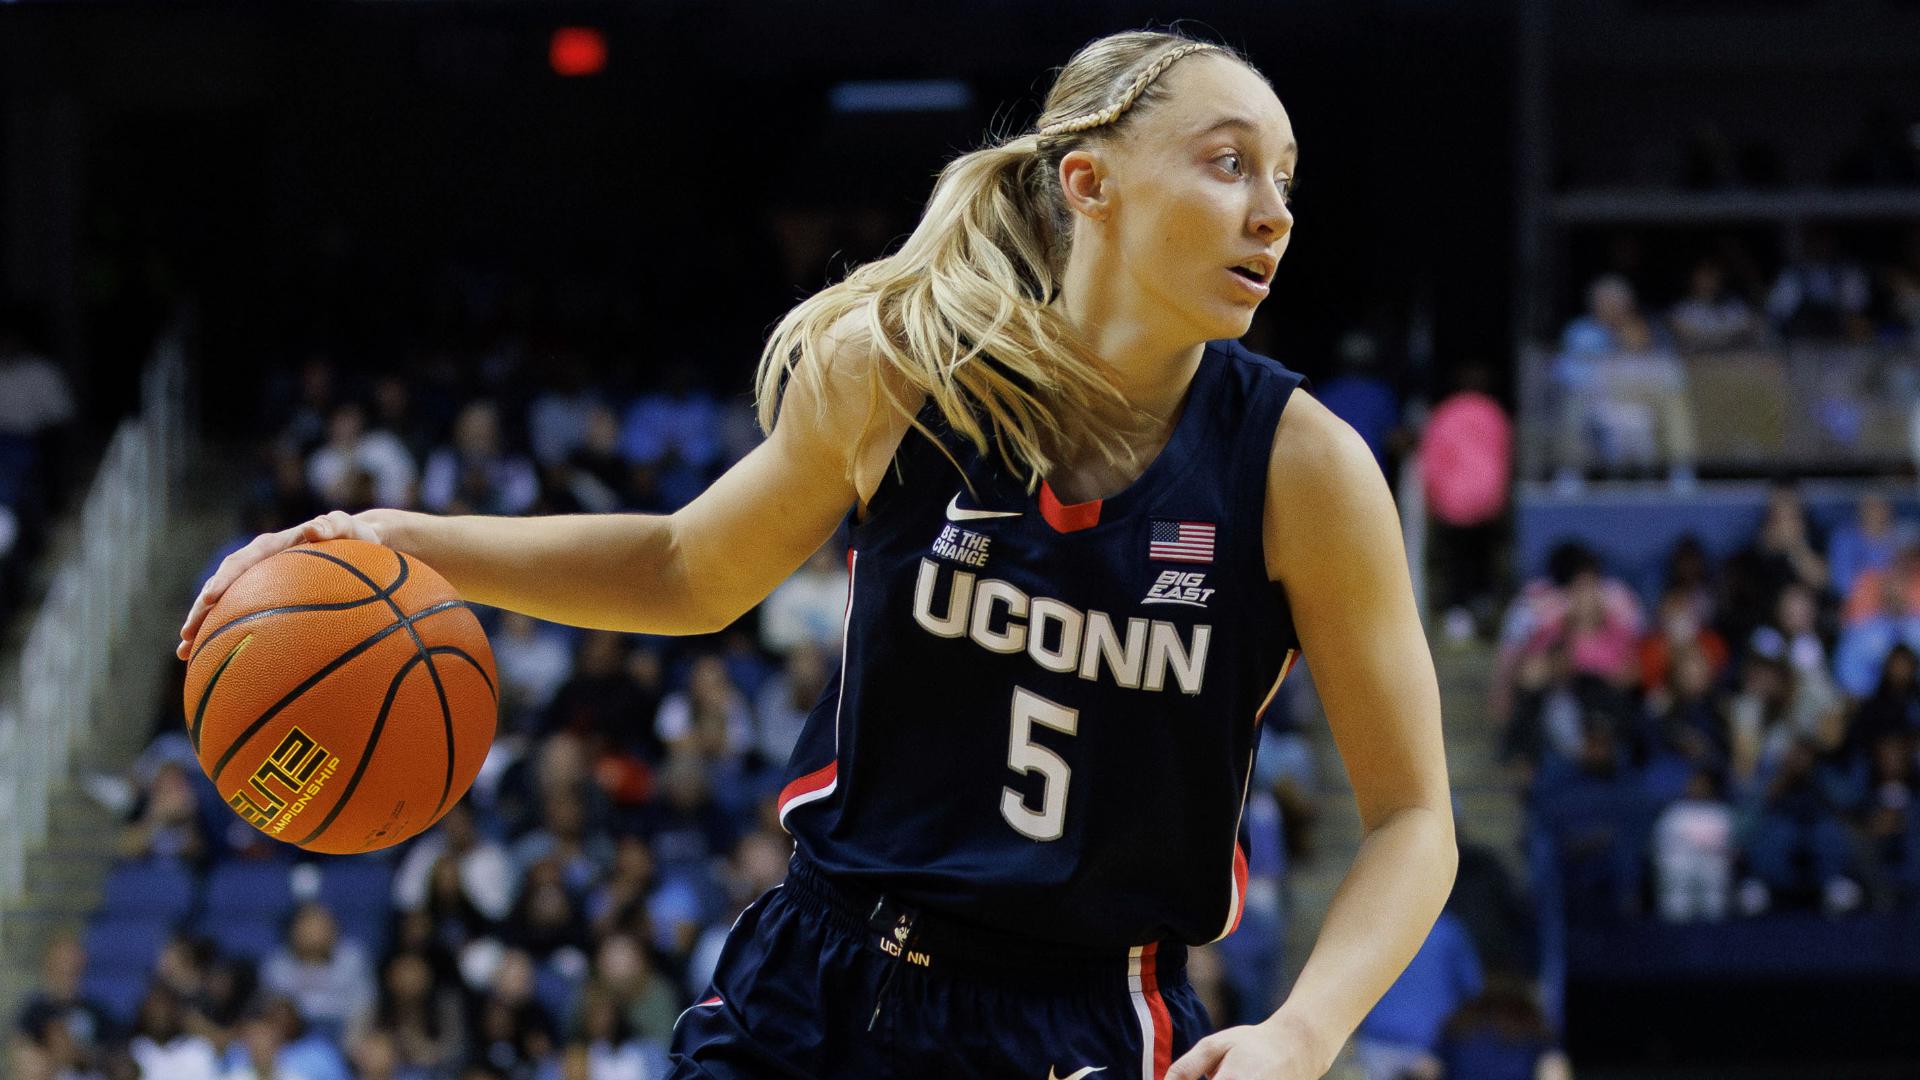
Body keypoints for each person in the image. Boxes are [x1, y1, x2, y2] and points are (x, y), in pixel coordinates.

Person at [180, 29, 1453, 1080]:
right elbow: (689, 568)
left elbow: (1411, 818)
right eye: (1231, 164)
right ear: (1089, 180)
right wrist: (414, 545)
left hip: (1070, 1021)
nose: (1273, 213)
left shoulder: (1303, 467)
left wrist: (1305, 1027)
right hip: (821, 974)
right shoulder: (906, 372)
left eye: (1286, 179)